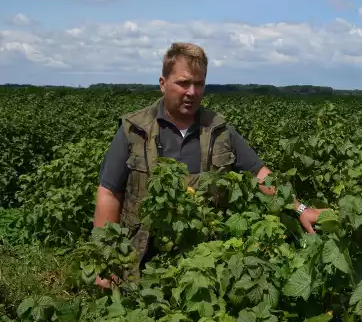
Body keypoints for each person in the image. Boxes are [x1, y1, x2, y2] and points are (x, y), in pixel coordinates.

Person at [93, 42, 323, 288]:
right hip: (141, 261)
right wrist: (106, 262)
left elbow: (259, 173)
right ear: (163, 84)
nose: (192, 92)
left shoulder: (219, 130)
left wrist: (300, 208)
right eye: (183, 83)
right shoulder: (135, 129)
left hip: (206, 262)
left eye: (199, 84)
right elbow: (109, 192)